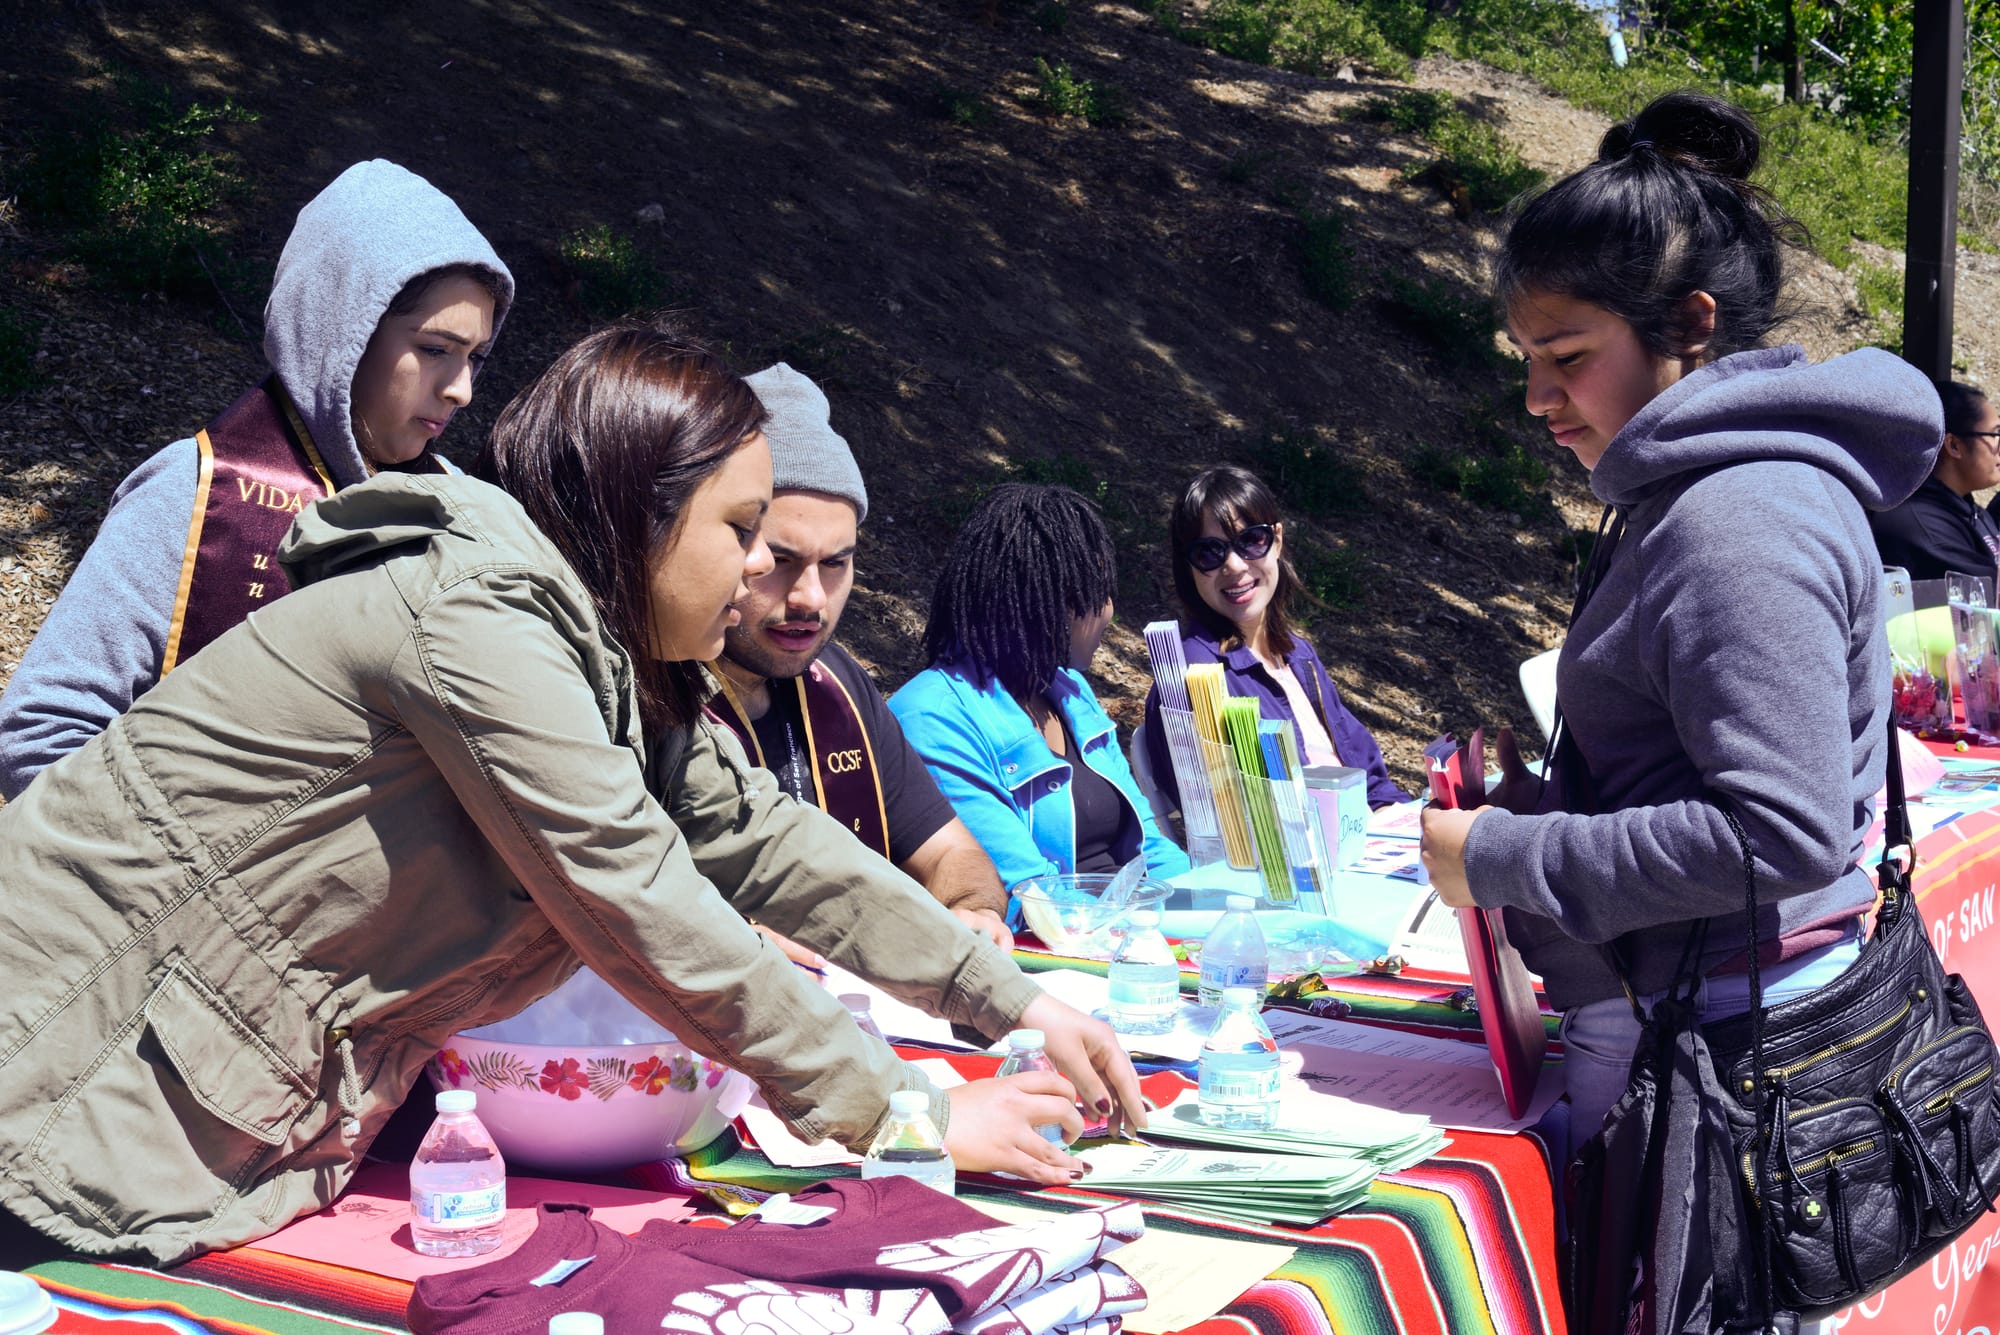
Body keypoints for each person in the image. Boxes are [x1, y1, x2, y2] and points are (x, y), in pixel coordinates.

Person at [0, 324, 1142, 1266]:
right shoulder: (480, 618)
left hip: (162, 1094)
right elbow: (634, 891)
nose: (760, 572)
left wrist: (1014, 1004)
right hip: (55, 1067)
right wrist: (909, 1116)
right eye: (740, 531)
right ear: (636, 514)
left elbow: (755, 834)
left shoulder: (600, 655)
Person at [1417, 93, 1940, 1160]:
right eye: (1523, 357)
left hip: (1732, 1053)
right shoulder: (1700, 496)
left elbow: (1774, 834)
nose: (1535, 397)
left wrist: (1506, 854)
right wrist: (1555, 804)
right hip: (1715, 1017)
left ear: (1689, 325)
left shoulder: (1734, 518)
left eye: (1564, 355)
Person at [0, 159, 512, 800]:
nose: (462, 390)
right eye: (436, 348)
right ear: (342, 333)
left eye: (476, 357)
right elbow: (44, 729)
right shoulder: (194, 493)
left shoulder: (463, 514)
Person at [708, 363, 1014, 949]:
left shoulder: (836, 679)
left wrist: (971, 910)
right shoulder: (650, 688)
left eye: (835, 563)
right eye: (780, 560)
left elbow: (953, 850)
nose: (810, 600)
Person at [890, 484, 1191, 920]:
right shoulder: (934, 717)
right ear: (1050, 604)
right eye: (1097, 594)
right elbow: (1028, 897)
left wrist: (1203, 905)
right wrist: (1147, 932)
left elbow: (1152, 844)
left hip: (1139, 933)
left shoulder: (1067, 690)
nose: (1109, 611)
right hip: (1061, 951)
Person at [1142, 464, 1406, 811]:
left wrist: (1399, 822)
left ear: (1277, 540)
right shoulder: (1193, 678)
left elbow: (1371, 782)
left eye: (1251, 540)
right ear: (1188, 567)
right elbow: (1226, 818)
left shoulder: (1300, 655)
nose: (1234, 565)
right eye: (1209, 551)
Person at [1869, 380, 2000, 580]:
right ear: (1954, 445)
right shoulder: (1923, 528)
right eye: (1994, 434)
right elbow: (1985, 596)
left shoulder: (1969, 510)